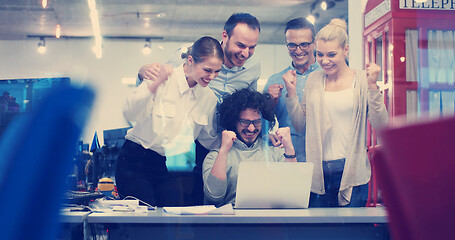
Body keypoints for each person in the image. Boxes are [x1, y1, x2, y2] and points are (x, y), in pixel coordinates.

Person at [137, 13, 262, 205]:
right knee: (185, 203)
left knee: (212, 206)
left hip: (223, 146)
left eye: (252, 47)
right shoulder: (191, 54)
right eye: (240, 45)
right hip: (188, 144)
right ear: (225, 36)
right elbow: (156, 79)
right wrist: (142, 72)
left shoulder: (254, 67)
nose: (246, 53)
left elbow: (249, 105)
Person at [284, 18, 388, 207]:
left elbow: (381, 125)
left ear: (345, 50)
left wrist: (373, 86)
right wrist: (291, 94)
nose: (325, 61)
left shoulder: (362, 81)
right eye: (320, 54)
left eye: (331, 54)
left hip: (352, 172)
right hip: (318, 174)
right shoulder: (314, 80)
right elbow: (300, 125)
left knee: (350, 234)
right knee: (320, 234)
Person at [115, 36, 224, 207]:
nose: (212, 76)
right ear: (190, 61)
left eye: (217, 71)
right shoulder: (159, 77)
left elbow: (209, 139)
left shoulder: (208, 98)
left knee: (174, 223)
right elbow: (130, 112)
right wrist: (155, 84)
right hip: (137, 161)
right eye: (208, 70)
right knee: (143, 223)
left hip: (173, 164)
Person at [203, 89, 297, 206]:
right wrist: (223, 151)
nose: (251, 128)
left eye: (257, 122)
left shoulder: (274, 151)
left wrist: (289, 148)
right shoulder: (215, 156)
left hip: (269, 220)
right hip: (231, 221)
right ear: (233, 121)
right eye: (244, 122)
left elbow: (294, 192)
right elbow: (214, 197)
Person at [263, 17, 320, 162]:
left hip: (324, 162)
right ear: (286, 44)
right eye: (292, 45)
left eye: (304, 44)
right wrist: (269, 102)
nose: (298, 50)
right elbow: (261, 124)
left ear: (314, 43)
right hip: (288, 160)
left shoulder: (328, 76)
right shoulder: (274, 81)